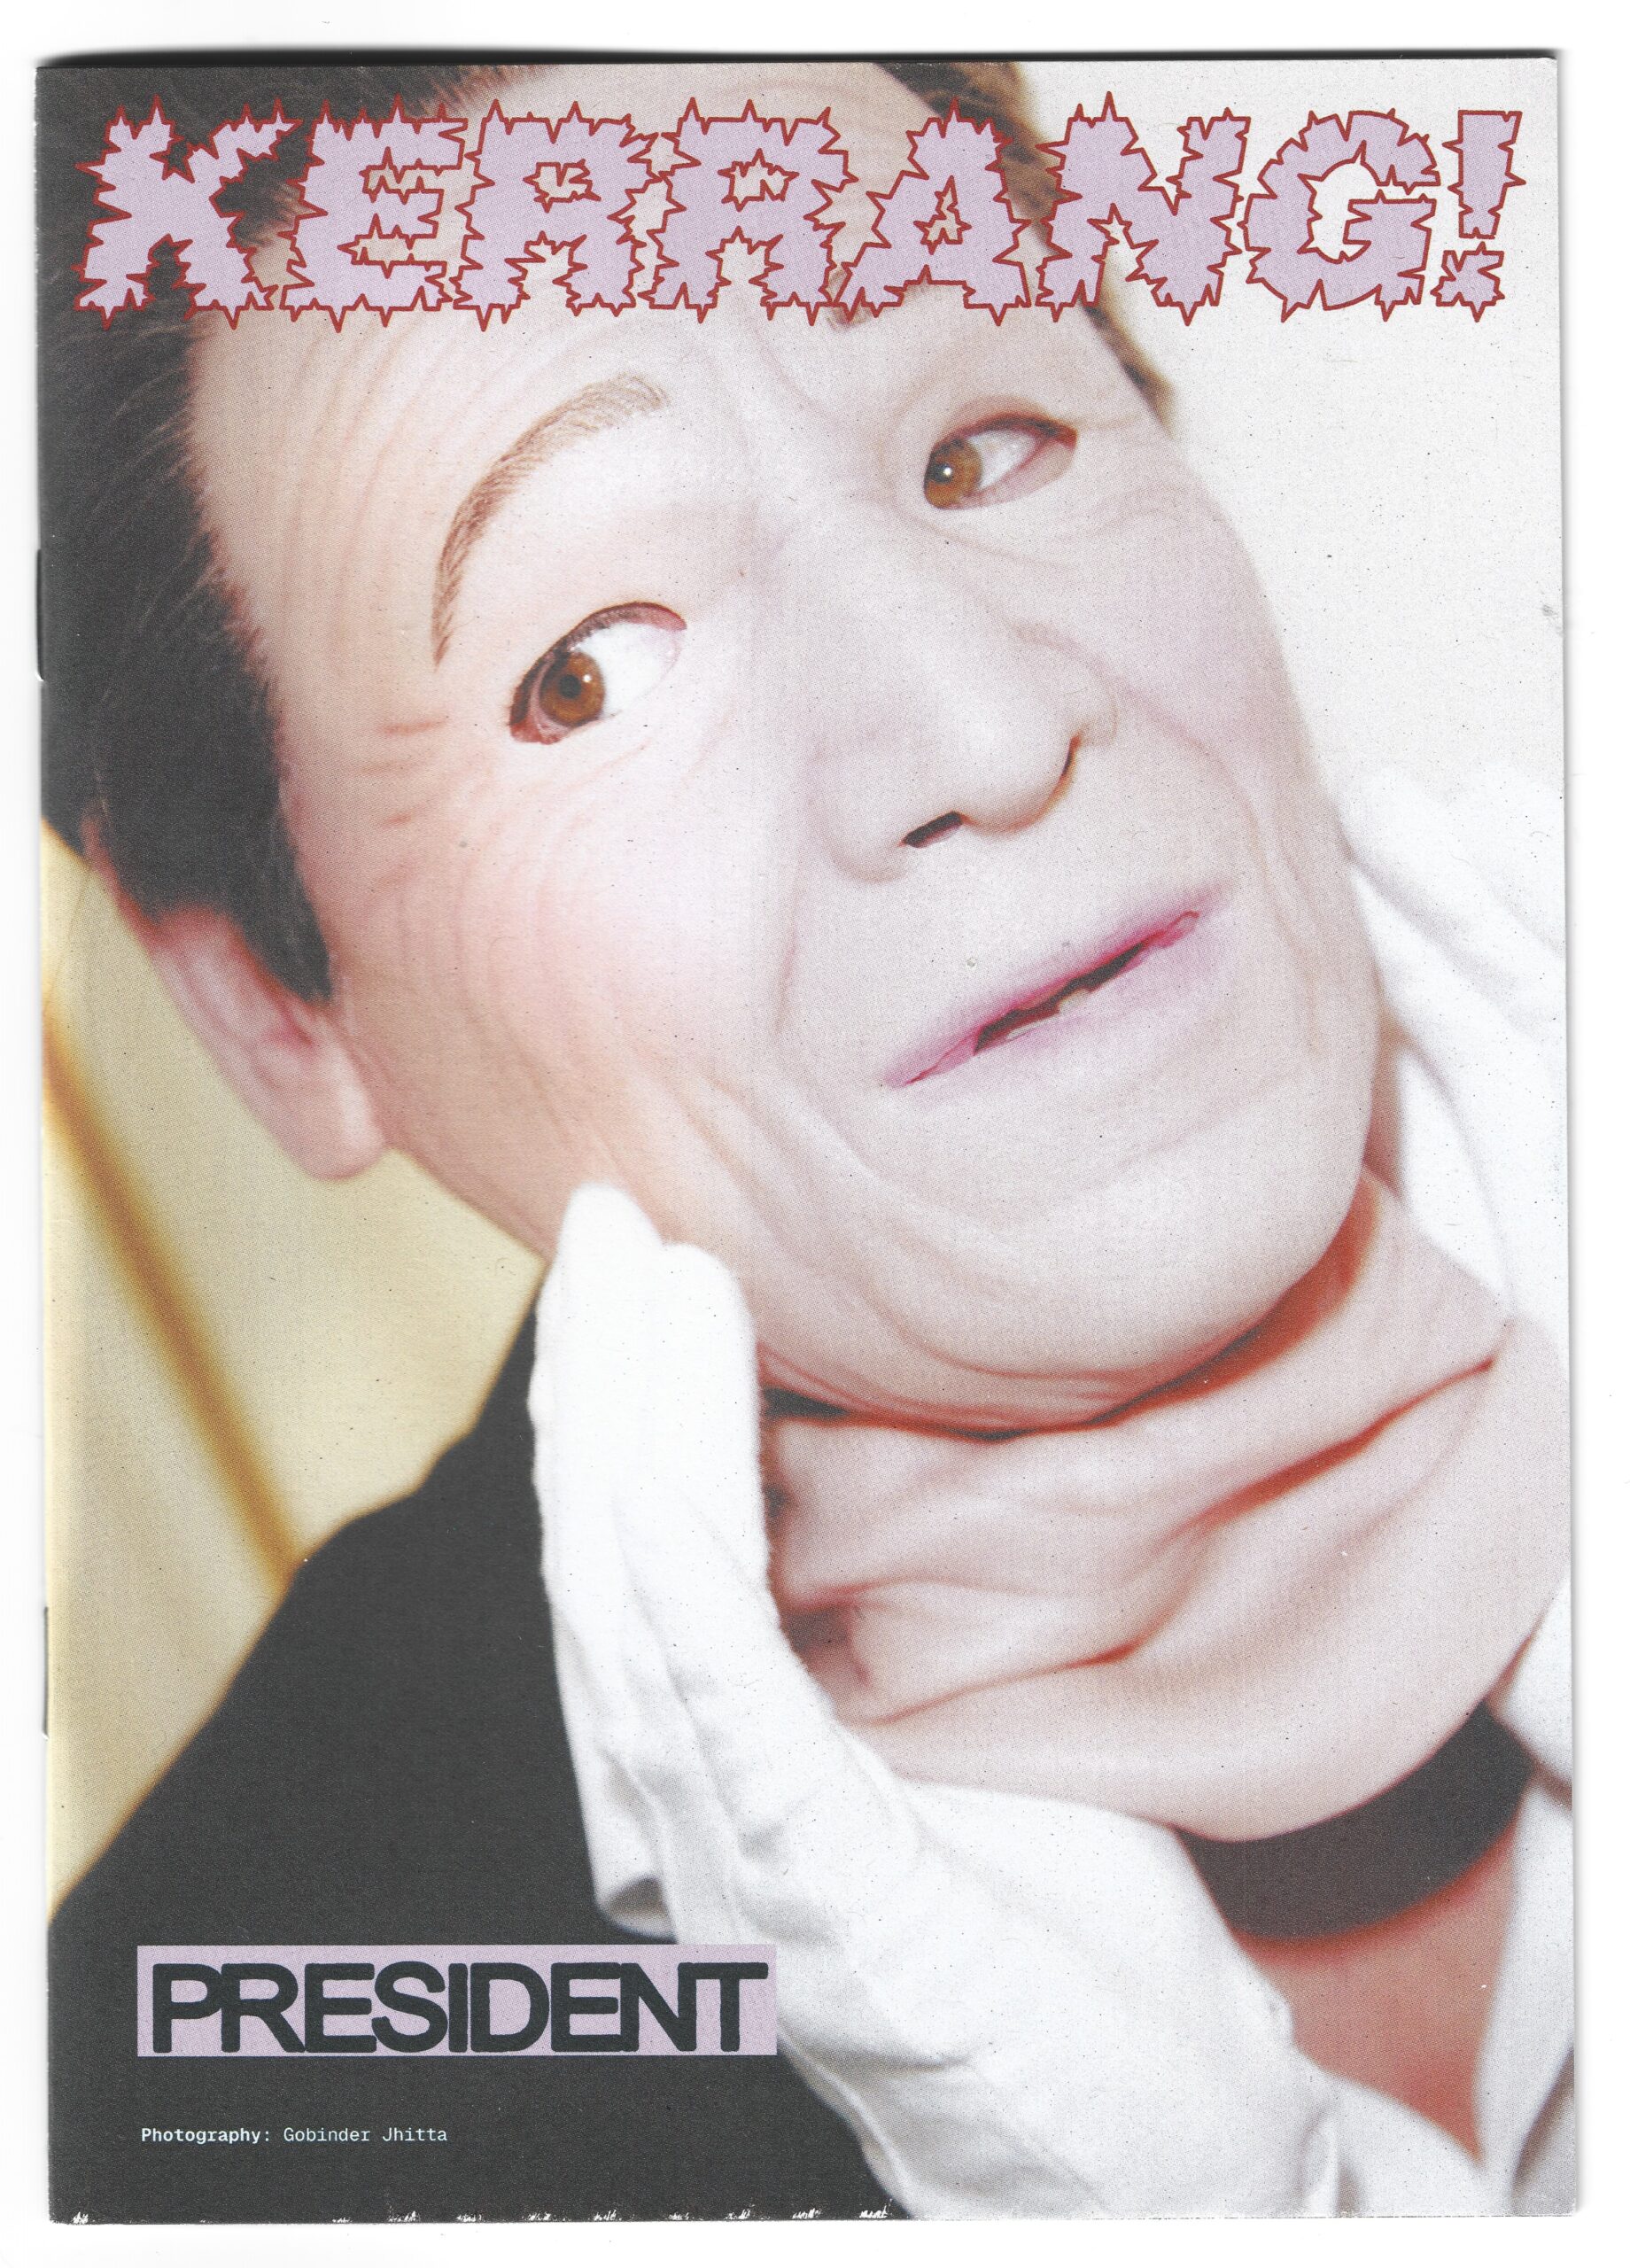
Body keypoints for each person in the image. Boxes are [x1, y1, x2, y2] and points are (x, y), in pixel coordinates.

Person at [41, 55, 1570, 2220]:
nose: (981, 724)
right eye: (585, 670)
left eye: (985, 445)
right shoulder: (172, 2109)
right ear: (272, 1008)